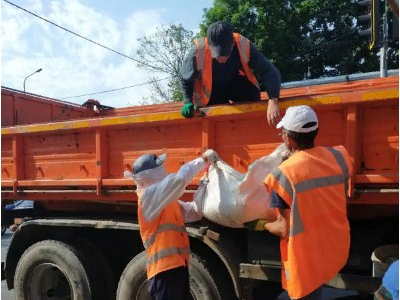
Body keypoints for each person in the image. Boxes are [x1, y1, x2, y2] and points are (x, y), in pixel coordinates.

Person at [260, 105, 353, 299]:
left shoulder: (283, 174)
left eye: (283, 132)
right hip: (331, 246)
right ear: (315, 132)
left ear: (289, 138)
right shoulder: (339, 156)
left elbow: (282, 228)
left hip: (304, 259)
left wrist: (262, 224)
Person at [124, 150, 217, 300]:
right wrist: (203, 160)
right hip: (164, 272)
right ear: (150, 173)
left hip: (178, 268)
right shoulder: (148, 197)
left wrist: (204, 186)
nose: (164, 169)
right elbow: (179, 179)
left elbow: (193, 212)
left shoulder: (164, 200)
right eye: (160, 167)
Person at [179, 21, 281, 125]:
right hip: (211, 94)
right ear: (209, 45)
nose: (222, 58)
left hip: (234, 83)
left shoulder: (243, 44)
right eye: (217, 54)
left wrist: (273, 101)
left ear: (232, 44)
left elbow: (269, 71)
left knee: (251, 94)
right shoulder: (197, 51)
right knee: (216, 117)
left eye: (225, 53)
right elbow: (184, 77)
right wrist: (188, 101)